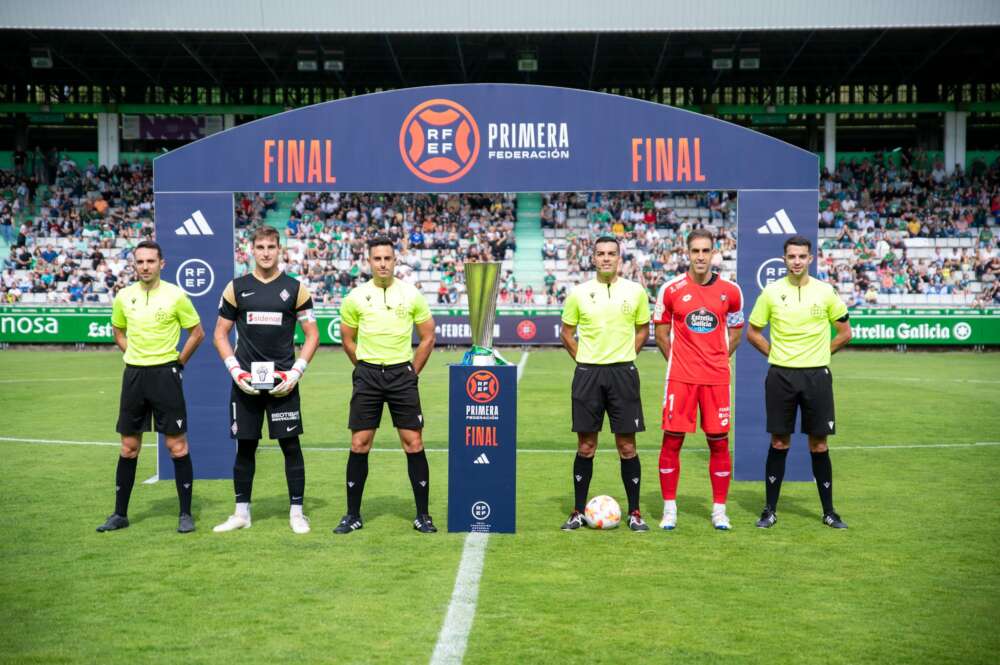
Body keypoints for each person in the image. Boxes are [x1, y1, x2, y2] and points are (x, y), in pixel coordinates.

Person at [211, 225, 320, 535]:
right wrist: (235, 370)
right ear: (251, 251)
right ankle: (241, 513)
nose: (266, 253)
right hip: (245, 382)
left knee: (290, 445)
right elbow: (219, 333)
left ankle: (297, 513)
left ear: (279, 250)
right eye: (260, 247)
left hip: (282, 382)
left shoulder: (296, 288)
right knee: (245, 447)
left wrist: (296, 372)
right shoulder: (236, 287)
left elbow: (313, 335)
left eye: (271, 247)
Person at [97, 241, 205, 533]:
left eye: (150, 261)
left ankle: (185, 514)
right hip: (134, 376)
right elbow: (117, 330)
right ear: (134, 265)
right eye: (140, 262)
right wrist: (130, 353)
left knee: (177, 446)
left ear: (161, 264)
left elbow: (197, 333)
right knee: (129, 447)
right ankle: (119, 514)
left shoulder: (176, 295)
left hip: (165, 375)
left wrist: (178, 363)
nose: (145, 266)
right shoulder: (124, 296)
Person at [746, 235, 852, 529]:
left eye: (802, 256)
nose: (796, 261)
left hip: (816, 375)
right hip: (781, 375)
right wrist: (777, 354)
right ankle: (769, 510)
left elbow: (844, 332)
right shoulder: (771, 292)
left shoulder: (825, 291)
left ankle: (829, 512)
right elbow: (753, 332)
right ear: (784, 259)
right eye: (791, 256)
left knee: (818, 444)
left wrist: (819, 353)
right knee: (779, 440)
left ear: (810, 258)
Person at [335, 237, 437, 534]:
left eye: (387, 258)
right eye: (377, 258)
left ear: (395, 261)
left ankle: (423, 515)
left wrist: (411, 372)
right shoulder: (355, 296)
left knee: (413, 443)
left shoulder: (411, 294)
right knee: (359, 444)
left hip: (401, 376)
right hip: (367, 376)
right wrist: (365, 368)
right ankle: (352, 515)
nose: (382, 263)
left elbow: (428, 336)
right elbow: (347, 339)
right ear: (369, 261)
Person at [559, 235, 651, 532]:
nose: (606, 258)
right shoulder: (579, 293)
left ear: (619, 257)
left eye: (612, 253)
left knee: (627, 446)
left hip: (623, 374)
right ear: (593, 258)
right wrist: (584, 360)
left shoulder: (635, 291)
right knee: (586, 446)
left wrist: (625, 357)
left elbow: (643, 329)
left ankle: (635, 512)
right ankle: (576, 511)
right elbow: (567, 333)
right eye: (601, 254)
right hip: (589, 374)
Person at [653, 228, 744, 530]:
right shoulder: (671, 289)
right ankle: (670, 509)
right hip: (680, 379)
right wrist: (681, 363)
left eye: (706, 251)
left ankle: (719, 510)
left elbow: (736, 330)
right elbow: (662, 334)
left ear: (714, 253)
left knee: (719, 443)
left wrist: (718, 357)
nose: (701, 257)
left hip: (716, 380)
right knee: (672, 441)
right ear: (687, 253)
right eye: (696, 251)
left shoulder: (730, 291)